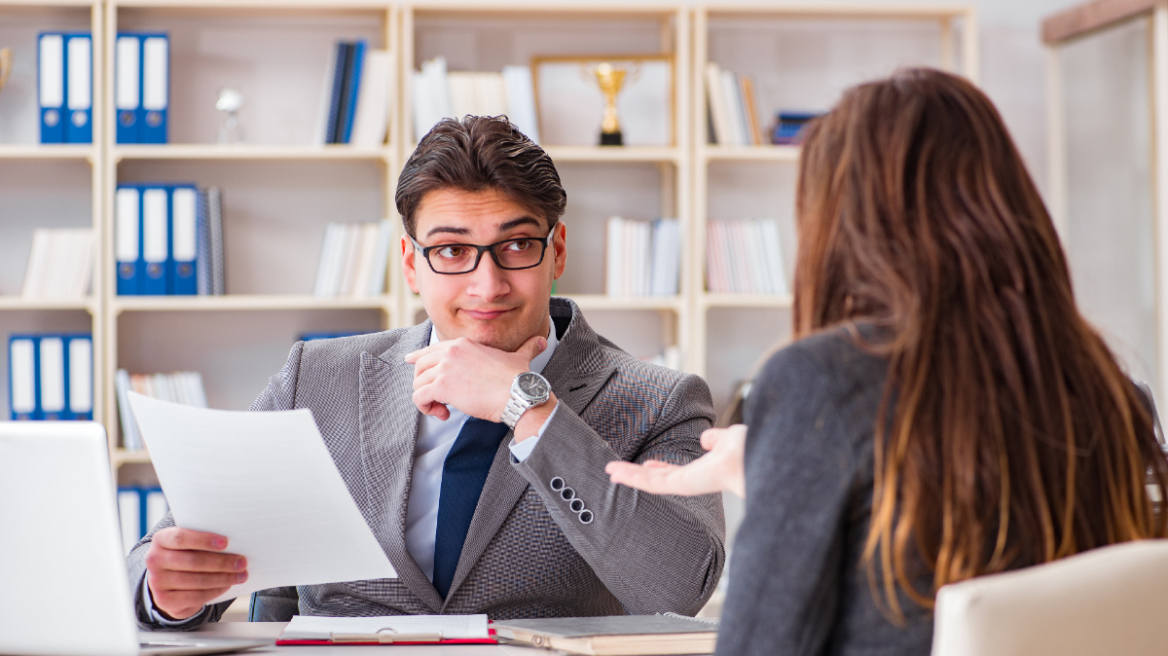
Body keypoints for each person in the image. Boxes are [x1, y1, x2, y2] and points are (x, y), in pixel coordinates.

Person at [607, 68, 1168, 655]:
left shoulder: (822, 379)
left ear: (842, 222)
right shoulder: (1109, 388)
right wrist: (780, 467)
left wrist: (798, 451)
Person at [127, 115, 725, 627]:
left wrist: (528, 409)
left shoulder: (660, 400)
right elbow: (167, 547)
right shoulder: (319, 377)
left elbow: (679, 588)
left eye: (517, 246)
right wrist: (166, 591)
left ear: (558, 251)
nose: (487, 285)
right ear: (412, 263)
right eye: (452, 251)